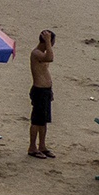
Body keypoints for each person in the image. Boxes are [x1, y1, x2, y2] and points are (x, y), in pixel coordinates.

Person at [29, 30, 56, 159]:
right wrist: (48, 42)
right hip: (39, 91)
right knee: (36, 121)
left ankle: (42, 146)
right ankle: (32, 147)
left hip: (45, 90)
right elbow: (50, 58)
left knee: (43, 121)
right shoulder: (36, 53)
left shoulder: (41, 53)